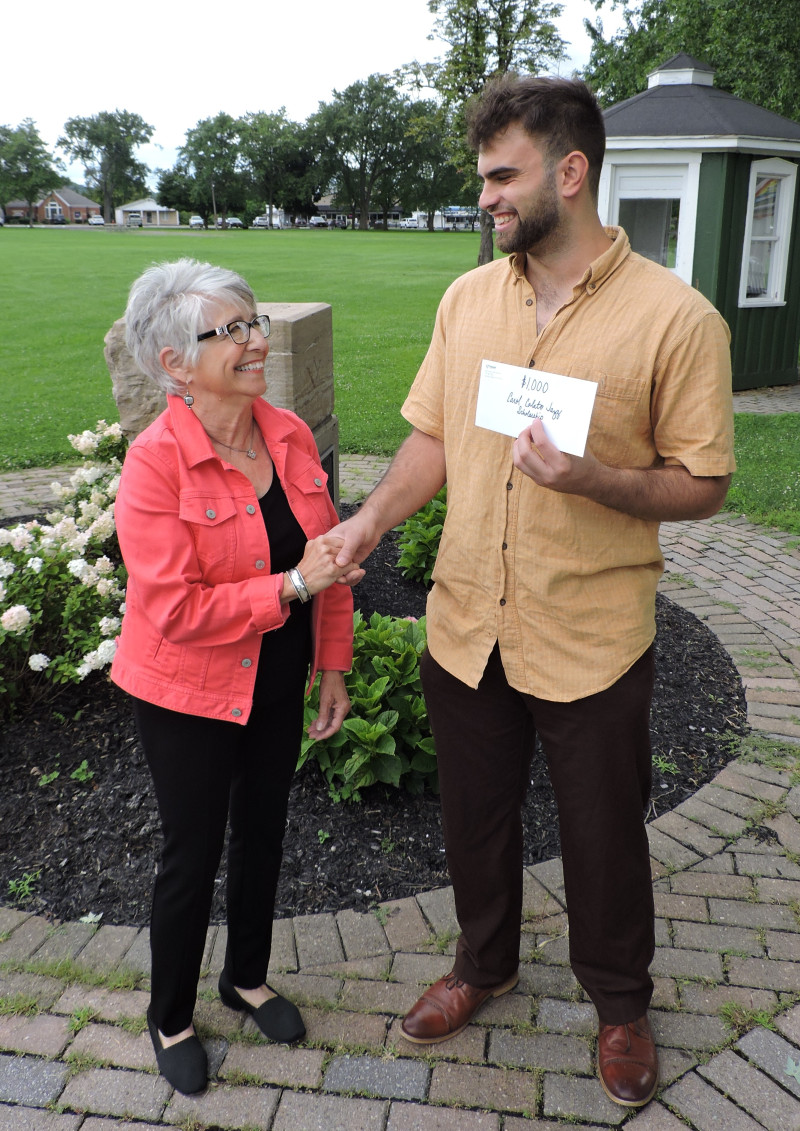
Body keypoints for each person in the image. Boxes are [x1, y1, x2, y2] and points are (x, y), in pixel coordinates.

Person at [333, 75, 735, 1109]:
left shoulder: (674, 320)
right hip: (467, 618)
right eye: (480, 179)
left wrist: (588, 477)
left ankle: (618, 1006)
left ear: (570, 170)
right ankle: (483, 965)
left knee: (603, 833)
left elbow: (703, 481)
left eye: (501, 176)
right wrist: (367, 523)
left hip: (590, 629)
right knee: (473, 820)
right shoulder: (468, 299)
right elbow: (431, 434)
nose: (485, 199)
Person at [110, 258, 361, 1095]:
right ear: (176, 361)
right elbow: (175, 608)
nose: (259, 340)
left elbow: (325, 553)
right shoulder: (155, 465)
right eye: (235, 330)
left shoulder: (285, 433)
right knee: (192, 852)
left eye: (254, 323)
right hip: (186, 687)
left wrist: (331, 661)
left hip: (279, 669)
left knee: (264, 827)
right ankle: (170, 1014)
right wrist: (291, 588)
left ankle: (244, 977)